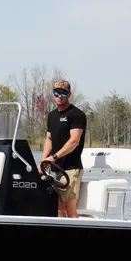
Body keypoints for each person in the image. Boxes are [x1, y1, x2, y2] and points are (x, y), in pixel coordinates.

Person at [39, 79, 87, 218]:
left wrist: (53, 157)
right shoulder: (52, 115)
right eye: (56, 92)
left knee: (70, 210)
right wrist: (43, 161)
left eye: (63, 93)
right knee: (58, 210)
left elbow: (74, 141)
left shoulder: (77, 114)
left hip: (71, 169)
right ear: (53, 94)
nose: (59, 96)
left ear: (69, 94)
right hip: (55, 169)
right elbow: (49, 138)